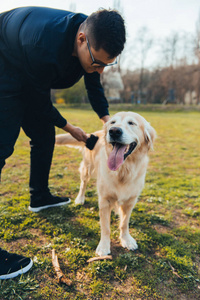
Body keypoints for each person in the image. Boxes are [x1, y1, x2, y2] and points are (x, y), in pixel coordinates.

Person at [0, 6, 126, 279]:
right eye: (98, 63)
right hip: (4, 62)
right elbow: (38, 101)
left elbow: (94, 84)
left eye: (108, 63)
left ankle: (40, 196)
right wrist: (72, 129)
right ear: (81, 40)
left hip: (28, 71)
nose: (101, 70)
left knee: (43, 135)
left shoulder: (93, 40)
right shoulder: (43, 44)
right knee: (2, 145)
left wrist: (108, 123)